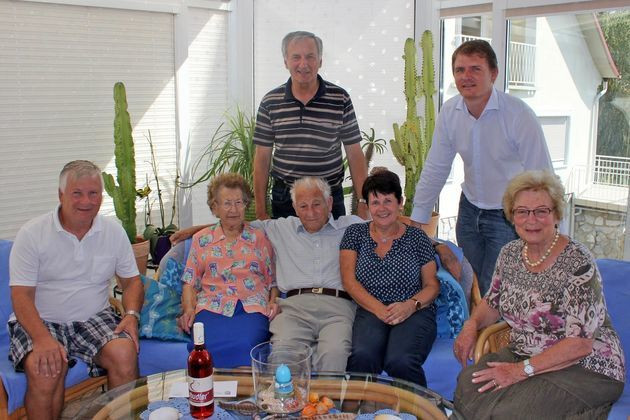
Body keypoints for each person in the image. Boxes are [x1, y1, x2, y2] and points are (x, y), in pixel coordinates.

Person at [453, 170, 625, 418]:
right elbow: (492, 303)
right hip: (527, 352)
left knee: (510, 412)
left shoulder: (578, 263)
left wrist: (518, 371)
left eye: (541, 211)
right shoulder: (510, 254)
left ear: (556, 214)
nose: (531, 219)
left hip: (585, 366)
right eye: (522, 211)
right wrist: (471, 324)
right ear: (512, 216)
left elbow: (580, 343)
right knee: (469, 383)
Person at [172, 176, 364, 372]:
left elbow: (271, 281)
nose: (311, 212)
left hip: (328, 306)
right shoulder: (278, 228)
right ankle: (283, 402)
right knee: (281, 353)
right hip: (286, 307)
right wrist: (193, 231)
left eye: (317, 204)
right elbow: (230, 228)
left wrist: (398, 217)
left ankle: (326, 402)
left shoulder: (350, 226)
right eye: (303, 206)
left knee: (334, 352)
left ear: (329, 203)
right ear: (295, 207)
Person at [410, 39, 553, 295]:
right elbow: (436, 167)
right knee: (469, 283)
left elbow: (542, 175)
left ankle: (490, 335)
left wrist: (552, 234)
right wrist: (418, 218)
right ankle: (474, 334)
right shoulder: (449, 112)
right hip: (469, 209)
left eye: (476, 69)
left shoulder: (518, 115)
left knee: (495, 290)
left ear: (493, 74)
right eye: (460, 70)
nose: (467, 76)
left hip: (508, 216)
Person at [8, 160, 144, 420]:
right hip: (41, 319)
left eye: (93, 193)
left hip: (94, 317)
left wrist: (131, 315)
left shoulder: (113, 232)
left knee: (125, 353)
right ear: (60, 195)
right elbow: (21, 295)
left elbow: (132, 282)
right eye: (77, 193)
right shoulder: (33, 234)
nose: (86, 201)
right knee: (46, 368)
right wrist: (42, 339)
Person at [253, 30, 368, 221]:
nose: (303, 64)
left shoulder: (340, 98)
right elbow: (262, 159)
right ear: (285, 61)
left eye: (310, 57)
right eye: (296, 57)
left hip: (329, 198)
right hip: (285, 200)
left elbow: (354, 153)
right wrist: (261, 210)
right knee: (287, 251)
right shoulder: (270, 102)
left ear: (320, 61)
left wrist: (363, 202)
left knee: (333, 251)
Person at [340, 170, 440, 386]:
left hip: (414, 310)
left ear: (400, 203)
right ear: (367, 206)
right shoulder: (354, 234)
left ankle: (421, 412)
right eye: (375, 202)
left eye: (388, 200)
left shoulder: (417, 237)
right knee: (362, 355)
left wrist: (410, 306)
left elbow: (432, 285)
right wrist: (378, 309)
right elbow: (349, 282)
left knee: (400, 360)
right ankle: (362, 412)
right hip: (370, 308)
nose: (382, 208)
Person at [176, 173, 278, 367]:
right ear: (215, 208)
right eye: (227, 203)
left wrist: (273, 302)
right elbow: (190, 281)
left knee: (247, 344)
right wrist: (189, 309)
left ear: (246, 205)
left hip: (251, 308)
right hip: (211, 308)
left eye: (239, 203)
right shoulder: (202, 239)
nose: (233, 209)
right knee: (204, 347)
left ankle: (246, 396)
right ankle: (209, 394)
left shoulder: (259, 238)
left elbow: (272, 282)